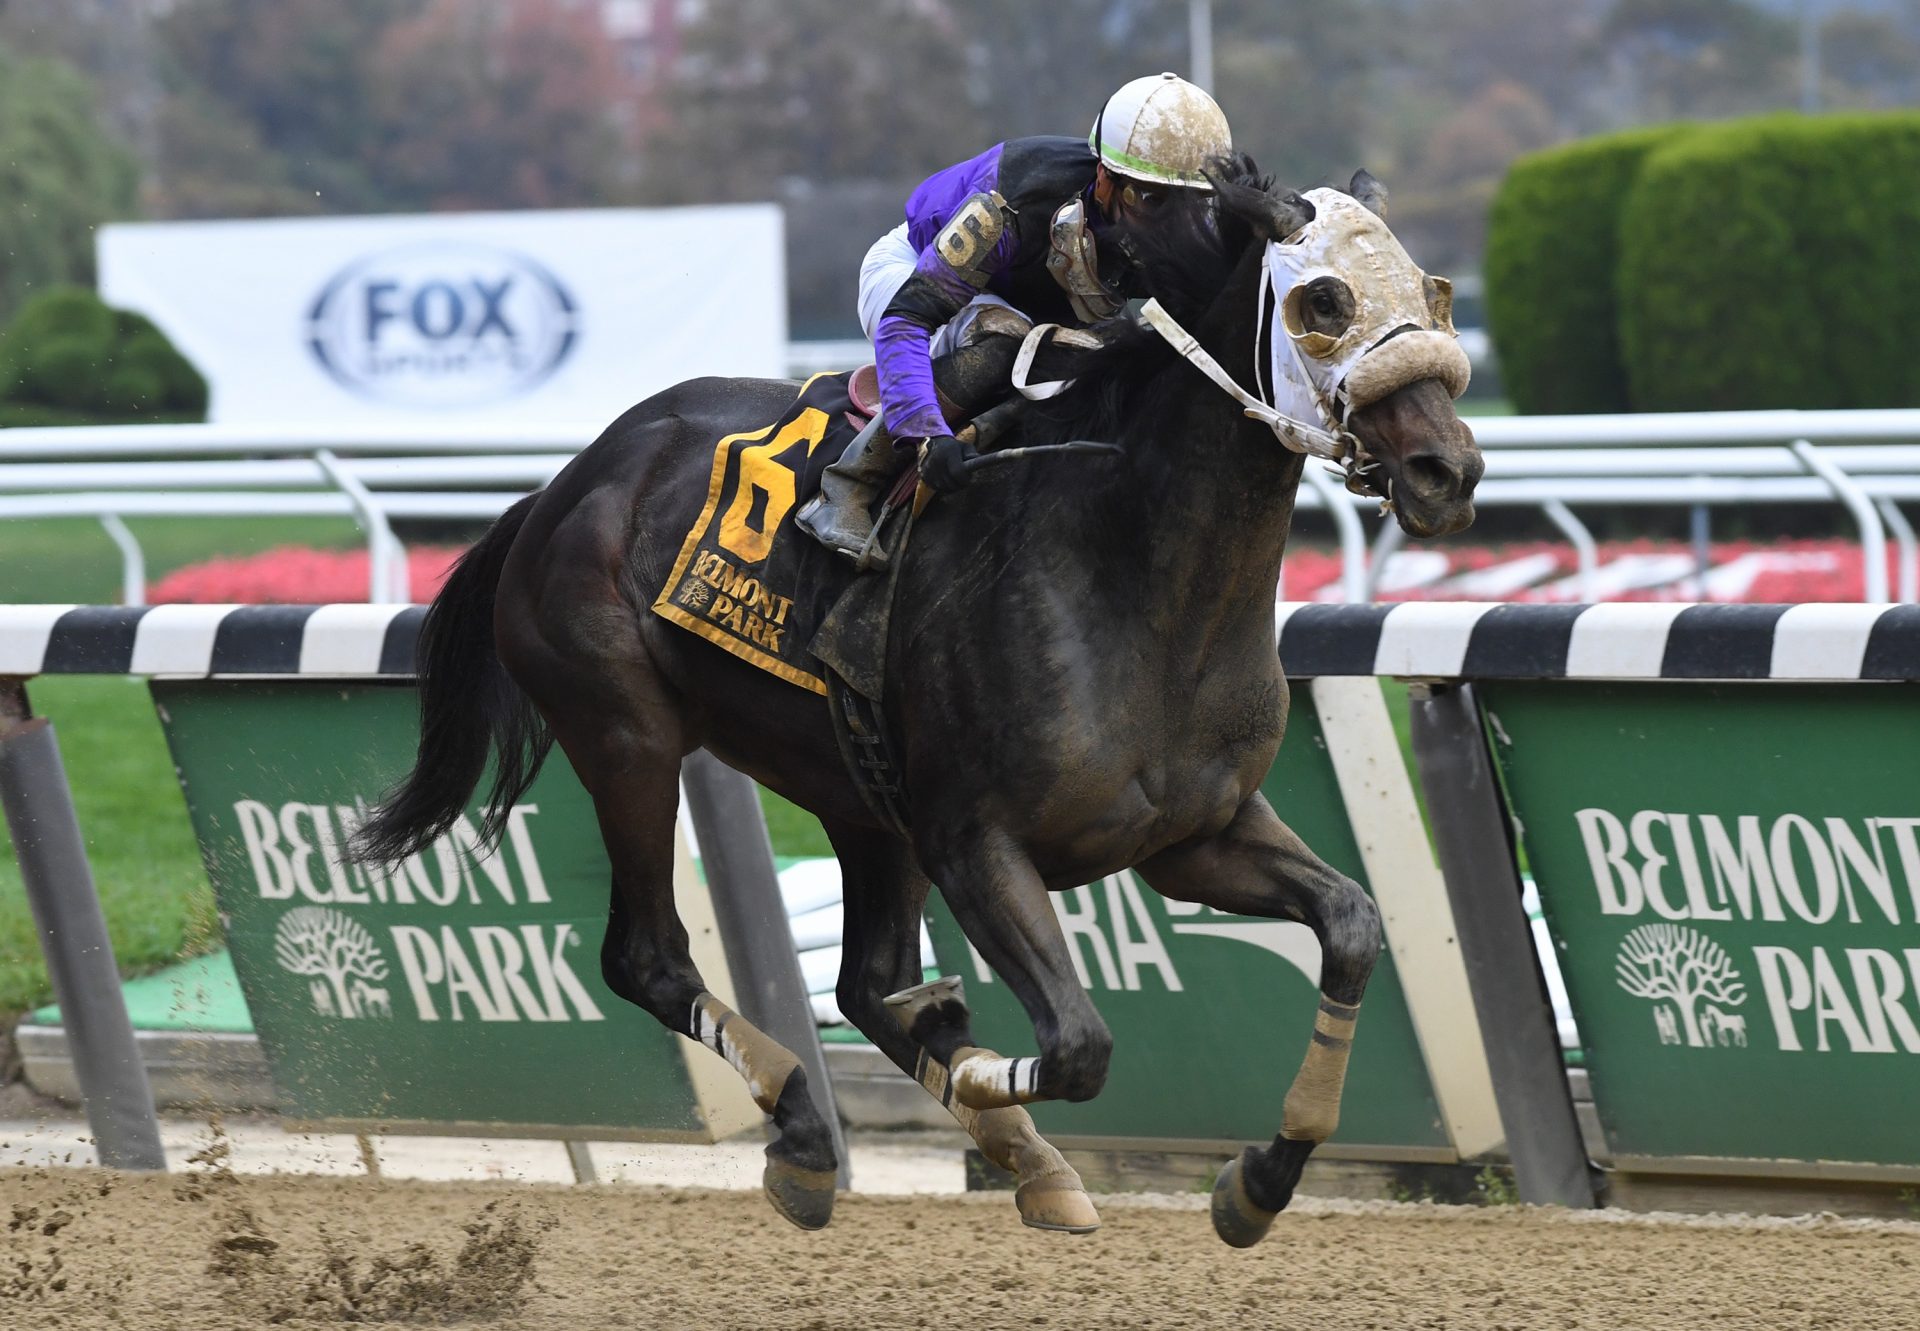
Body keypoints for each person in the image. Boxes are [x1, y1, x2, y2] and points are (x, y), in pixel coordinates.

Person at [796, 72, 1232, 559]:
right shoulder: (1012, 201)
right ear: (1105, 177)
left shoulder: (1179, 229)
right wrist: (929, 436)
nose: (1169, 224)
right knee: (1003, 338)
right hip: (909, 275)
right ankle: (849, 487)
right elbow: (906, 321)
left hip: (1020, 309)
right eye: (1149, 200)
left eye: (1189, 203)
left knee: (1091, 358)